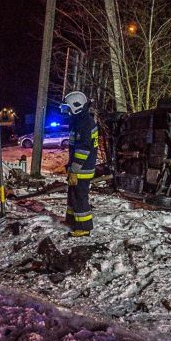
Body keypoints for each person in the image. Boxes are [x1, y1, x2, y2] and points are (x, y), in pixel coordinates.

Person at [61, 91, 98, 237]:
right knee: (72, 195)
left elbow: (83, 149)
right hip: (78, 167)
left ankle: (84, 227)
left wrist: (74, 169)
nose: (67, 111)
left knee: (80, 196)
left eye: (68, 108)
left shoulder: (84, 123)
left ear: (76, 107)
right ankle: (72, 220)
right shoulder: (81, 120)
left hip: (82, 168)